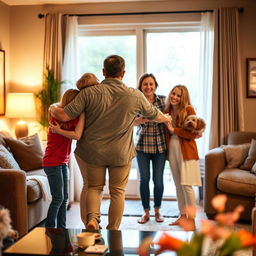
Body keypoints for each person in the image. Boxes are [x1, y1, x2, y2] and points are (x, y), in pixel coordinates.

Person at [49, 55, 172, 230]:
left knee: (93, 187)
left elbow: (64, 115)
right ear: (123, 73)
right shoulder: (134, 95)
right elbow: (156, 115)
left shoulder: (88, 93)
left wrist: (52, 107)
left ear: (104, 72)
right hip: (120, 154)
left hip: (93, 152)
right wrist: (166, 118)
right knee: (117, 192)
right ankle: (113, 230)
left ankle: (92, 220)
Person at [42, 89, 85, 228]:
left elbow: (76, 132)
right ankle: (49, 229)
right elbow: (75, 135)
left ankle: (62, 228)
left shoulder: (73, 118)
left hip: (62, 162)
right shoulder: (57, 117)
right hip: (52, 162)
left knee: (64, 198)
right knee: (58, 198)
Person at [164, 85, 202, 230]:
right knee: (178, 184)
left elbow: (194, 133)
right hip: (172, 147)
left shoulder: (189, 110)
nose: (174, 97)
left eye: (178, 95)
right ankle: (182, 215)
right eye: (173, 93)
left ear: (183, 98)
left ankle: (191, 220)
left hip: (186, 149)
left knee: (187, 185)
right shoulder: (166, 110)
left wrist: (174, 130)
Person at [135, 73, 166, 224]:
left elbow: (171, 117)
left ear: (155, 85)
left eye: (151, 84)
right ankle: (146, 212)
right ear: (141, 86)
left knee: (158, 181)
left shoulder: (163, 100)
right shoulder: (135, 101)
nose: (148, 87)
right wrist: (139, 120)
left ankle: (157, 211)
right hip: (142, 146)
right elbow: (129, 121)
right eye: (145, 84)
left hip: (160, 146)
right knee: (144, 180)